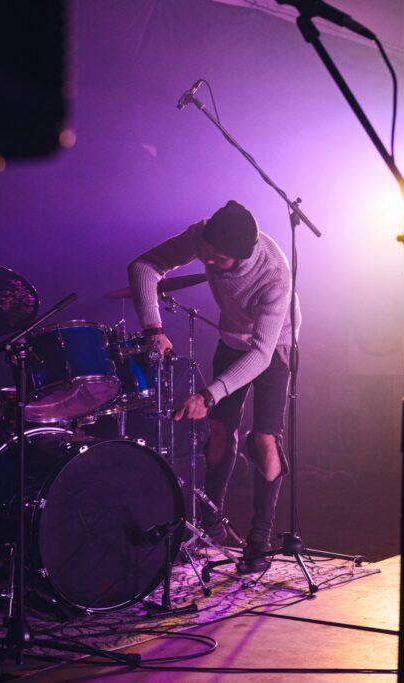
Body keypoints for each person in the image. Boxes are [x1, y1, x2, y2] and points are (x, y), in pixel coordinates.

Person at [128, 200, 298, 572]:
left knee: (264, 438)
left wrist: (209, 394)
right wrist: (153, 330)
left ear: (239, 257)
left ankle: (260, 537)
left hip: (273, 346)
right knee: (220, 429)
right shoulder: (204, 237)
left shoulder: (275, 276)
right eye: (203, 252)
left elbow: (260, 355)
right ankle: (212, 524)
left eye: (215, 259)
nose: (205, 261)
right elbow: (143, 267)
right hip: (232, 339)